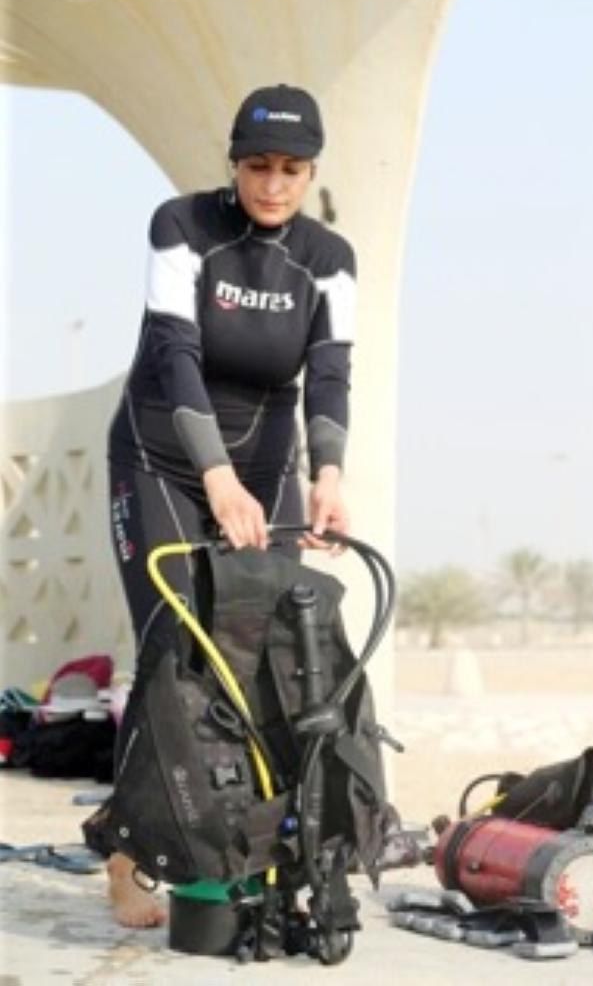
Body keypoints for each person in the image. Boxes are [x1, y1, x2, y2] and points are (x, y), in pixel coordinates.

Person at [105, 84, 357, 927]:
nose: (274, 184)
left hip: (270, 461)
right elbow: (173, 356)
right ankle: (128, 854)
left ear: (310, 171)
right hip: (163, 458)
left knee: (274, 654)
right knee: (171, 647)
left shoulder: (328, 257)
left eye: (292, 169)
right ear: (234, 162)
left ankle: (253, 845)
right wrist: (213, 477)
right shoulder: (181, 227)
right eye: (258, 165)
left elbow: (328, 374)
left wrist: (329, 473)